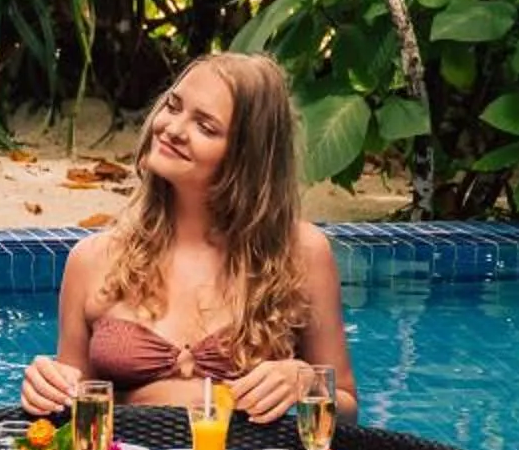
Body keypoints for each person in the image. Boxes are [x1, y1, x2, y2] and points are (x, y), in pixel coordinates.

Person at [19, 51, 355, 425]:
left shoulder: (300, 253)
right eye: (173, 106)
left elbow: (347, 409)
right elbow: (72, 416)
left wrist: (306, 382)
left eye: (205, 127)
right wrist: (46, 387)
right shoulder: (93, 258)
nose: (173, 129)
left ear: (248, 156)